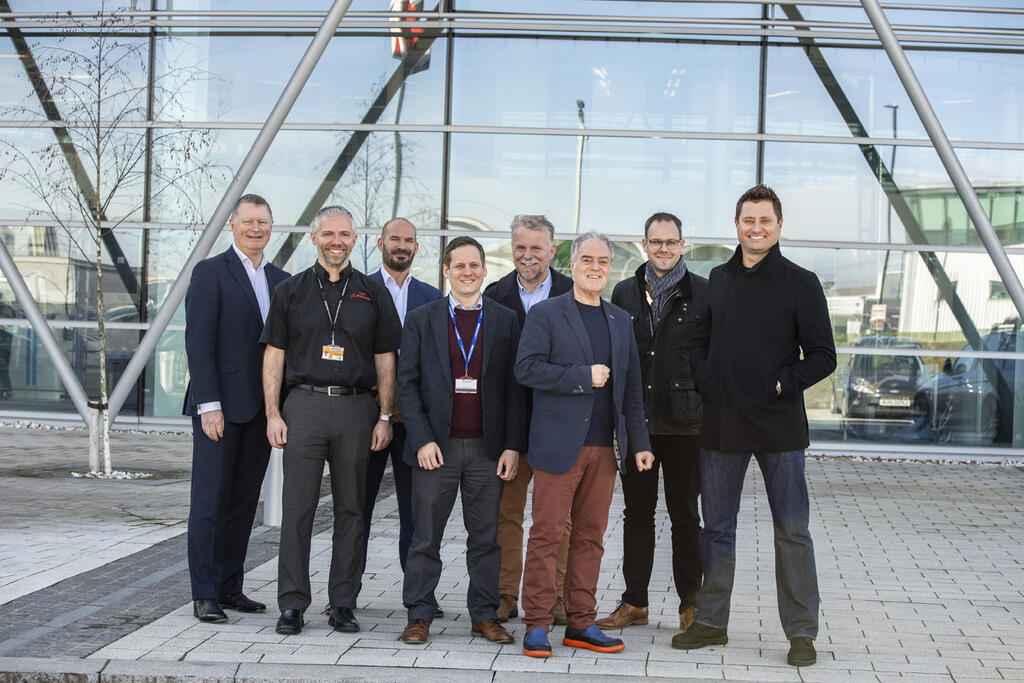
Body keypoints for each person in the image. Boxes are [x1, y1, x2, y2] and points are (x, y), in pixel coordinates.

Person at [671, 185, 836, 668]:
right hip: (721, 424)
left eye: (765, 220)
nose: (756, 228)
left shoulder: (801, 283)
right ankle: (711, 623)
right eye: (748, 220)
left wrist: (782, 385)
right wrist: (706, 380)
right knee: (717, 528)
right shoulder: (718, 279)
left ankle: (802, 633)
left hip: (779, 426)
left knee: (791, 530)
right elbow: (699, 339)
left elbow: (823, 356)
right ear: (737, 224)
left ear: (779, 226)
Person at [261, 205, 402, 636]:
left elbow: (386, 360)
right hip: (302, 405)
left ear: (355, 240)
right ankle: (292, 604)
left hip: (358, 410)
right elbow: (274, 356)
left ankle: (343, 602)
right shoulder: (290, 291)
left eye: (344, 234)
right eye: (328, 234)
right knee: (297, 509)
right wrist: (272, 412)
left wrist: (385, 416)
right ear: (314, 238)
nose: (336, 241)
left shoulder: (372, 294)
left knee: (352, 510)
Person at [514, 232, 654, 658]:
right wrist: (581, 376)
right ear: (572, 265)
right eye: (587, 259)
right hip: (558, 447)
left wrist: (640, 444)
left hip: (604, 451)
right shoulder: (547, 313)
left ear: (611, 268)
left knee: (591, 538)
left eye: (604, 261)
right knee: (546, 535)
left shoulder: (620, 320)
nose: (596, 267)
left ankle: (581, 622)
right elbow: (526, 368)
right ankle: (536, 623)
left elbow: (631, 390)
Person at [396, 236, 526, 646]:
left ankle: (484, 616)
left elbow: (515, 388)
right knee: (425, 536)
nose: (468, 272)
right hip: (437, 448)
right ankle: (419, 613)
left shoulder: (506, 320)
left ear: (485, 271)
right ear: (447, 271)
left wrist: (511, 445)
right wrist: (421, 440)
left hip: (488, 451)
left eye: (475, 265)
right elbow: (407, 385)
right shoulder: (421, 318)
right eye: (460, 266)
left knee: (486, 539)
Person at [183, 193, 290, 623]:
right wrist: (209, 405)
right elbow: (199, 342)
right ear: (233, 225)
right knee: (210, 500)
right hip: (220, 410)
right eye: (248, 221)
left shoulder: (282, 280)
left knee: (243, 502)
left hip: (261, 411)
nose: (256, 229)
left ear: (271, 226)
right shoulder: (211, 272)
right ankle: (204, 592)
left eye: (263, 222)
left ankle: (230, 586)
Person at [600, 212, 707, 632]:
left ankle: (691, 604)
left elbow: (711, 358)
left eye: (671, 241)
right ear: (643, 244)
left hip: (686, 425)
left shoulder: (704, 293)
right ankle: (635, 602)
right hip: (637, 423)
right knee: (637, 514)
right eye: (656, 241)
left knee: (685, 516)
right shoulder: (624, 292)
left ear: (682, 245)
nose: (664, 248)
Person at [483, 214, 574, 624]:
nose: (528, 255)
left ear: (552, 251)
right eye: (520, 247)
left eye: (536, 247)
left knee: (558, 520)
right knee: (507, 515)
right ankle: (505, 593)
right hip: (510, 429)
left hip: (558, 426)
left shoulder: (574, 293)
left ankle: (554, 595)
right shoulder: (494, 294)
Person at [362, 217, 442, 581]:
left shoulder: (432, 298)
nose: (402, 245)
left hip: (413, 421)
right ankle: (345, 594)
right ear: (381, 244)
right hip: (366, 417)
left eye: (409, 240)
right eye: (395, 238)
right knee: (356, 507)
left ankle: (418, 592)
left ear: (416, 247)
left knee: (417, 510)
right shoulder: (358, 289)